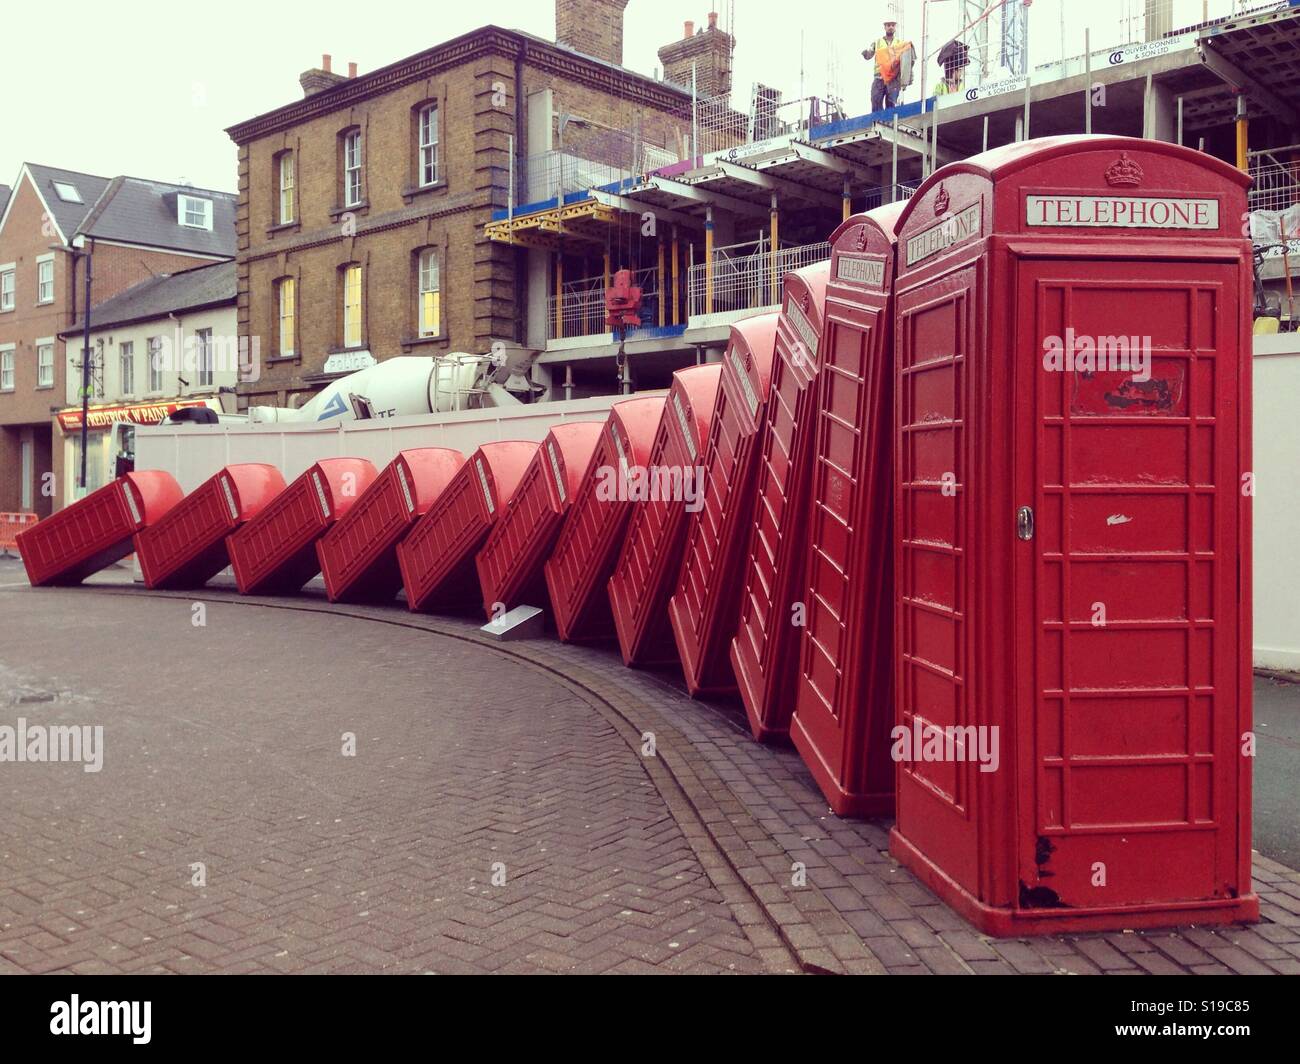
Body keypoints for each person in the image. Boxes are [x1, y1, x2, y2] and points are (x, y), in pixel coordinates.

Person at [864, 18, 915, 112]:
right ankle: (877, 123)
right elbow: (869, 55)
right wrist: (866, 53)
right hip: (879, 77)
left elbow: (906, 61)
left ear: (895, 27)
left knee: (890, 105)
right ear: (885, 27)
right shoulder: (877, 42)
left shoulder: (900, 43)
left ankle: (890, 125)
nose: (890, 27)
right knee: (875, 101)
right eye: (888, 25)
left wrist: (907, 79)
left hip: (893, 79)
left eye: (892, 25)